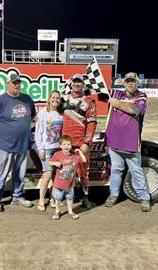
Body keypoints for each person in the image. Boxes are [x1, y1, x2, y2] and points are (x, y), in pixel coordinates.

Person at [102, 72, 151, 212]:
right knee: (116, 170)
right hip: (114, 143)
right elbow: (99, 93)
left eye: (133, 81)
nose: (130, 83)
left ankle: (145, 198)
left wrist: (116, 104)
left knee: (136, 171)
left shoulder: (141, 97)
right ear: (124, 83)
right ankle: (113, 195)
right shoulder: (116, 93)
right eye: (128, 81)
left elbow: (134, 110)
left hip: (131, 145)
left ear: (137, 83)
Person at [0, 73, 36, 212]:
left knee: (20, 174)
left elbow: (33, 117)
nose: (16, 85)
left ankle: (17, 197)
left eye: (18, 82)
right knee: (1, 173)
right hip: (6, 146)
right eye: (14, 82)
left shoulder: (27, 99)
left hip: (23, 145)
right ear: (8, 83)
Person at [61, 74, 97, 208]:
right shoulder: (63, 99)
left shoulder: (89, 101)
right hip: (66, 144)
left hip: (81, 144)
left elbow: (92, 124)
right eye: (74, 82)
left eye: (79, 82)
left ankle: (84, 198)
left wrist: (87, 142)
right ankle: (68, 197)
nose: (77, 84)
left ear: (83, 85)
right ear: (70, 84)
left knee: (83, 173)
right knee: (67, 172)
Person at [34, 90, 63, 211]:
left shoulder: (61, 114)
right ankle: (41, 199)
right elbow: (38, 132)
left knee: (56, 176)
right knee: (47, 174)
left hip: (57, 148)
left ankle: (52, 198)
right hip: (46, 149)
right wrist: (40, 149)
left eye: (58, 98)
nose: (55, 100)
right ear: (49, 99)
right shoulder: (42, 113)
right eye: (53, 98)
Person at [49, 135, 87, 220]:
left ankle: (70, 211)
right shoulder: (57, 154)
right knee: (58, 198)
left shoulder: (75, 157)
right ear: (60, 146)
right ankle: (57, 211)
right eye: (64, 144)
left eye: (68, 144)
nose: (66, 146)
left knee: (70, 197)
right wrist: (55, 163)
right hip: (59, 183)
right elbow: (50, 162)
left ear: (71, 145)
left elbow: (84, 160)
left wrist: (80, 152)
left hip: (70, 183)